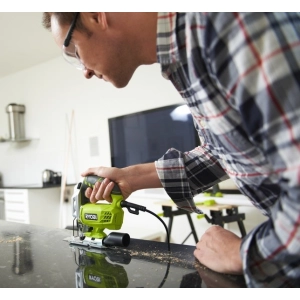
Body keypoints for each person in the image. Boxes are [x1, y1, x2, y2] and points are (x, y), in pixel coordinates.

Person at [42, 12, 300, 287]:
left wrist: (244, 254)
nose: (85, 71)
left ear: (96, 16)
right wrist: (133, 177)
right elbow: (224, 149)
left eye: (73, 51)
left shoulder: (228, 24)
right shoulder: (188, 56)